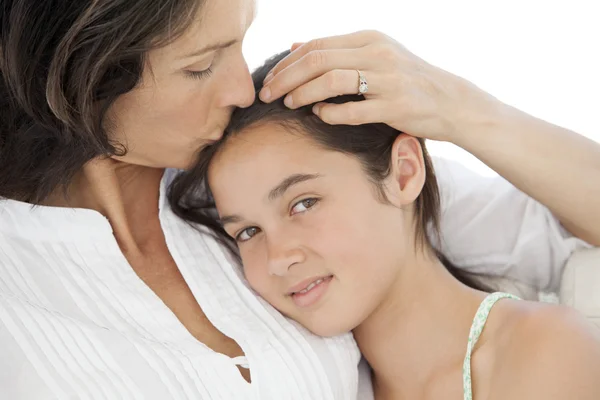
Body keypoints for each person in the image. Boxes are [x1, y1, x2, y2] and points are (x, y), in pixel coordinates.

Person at [0, 0, 597, 398]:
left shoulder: (253, 164)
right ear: (84, 79)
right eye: (201, 67)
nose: (240, 87)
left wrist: (460, 110)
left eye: (239, 44)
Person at [188, 51, 600, 400]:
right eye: (247, 232)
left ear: (404, 173)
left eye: (304, 203)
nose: (278, 258)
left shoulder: (541, 353)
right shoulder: (326, 385)